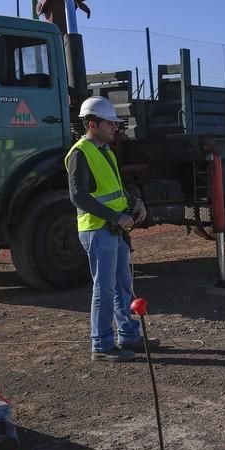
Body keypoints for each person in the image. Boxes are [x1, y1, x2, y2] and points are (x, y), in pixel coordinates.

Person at [65, 96, 153, 362]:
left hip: (112, 229)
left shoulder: (106, 151)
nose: (115, 127)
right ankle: (101, 345)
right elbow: (78, 196)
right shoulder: (80, 153)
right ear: (92, 124)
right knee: (104, 289)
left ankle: (128, 335)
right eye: (110, 123)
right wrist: (115, 217)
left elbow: (116, 189)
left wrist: (134, 203)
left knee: (123, 285)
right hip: (97, 229)